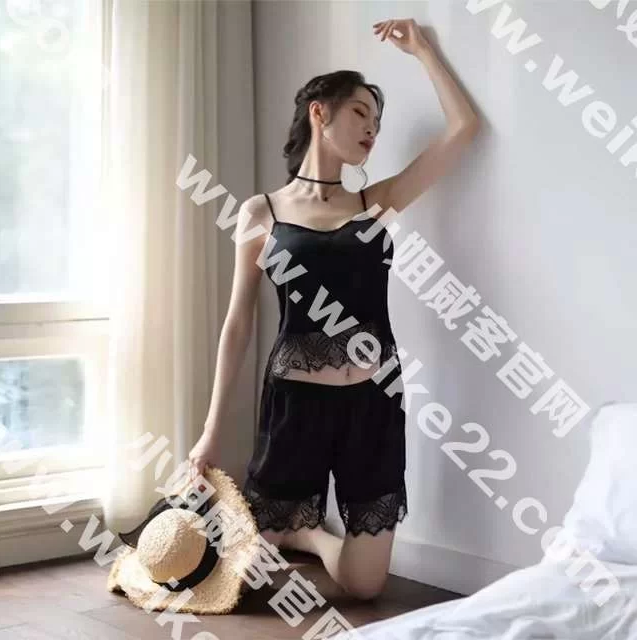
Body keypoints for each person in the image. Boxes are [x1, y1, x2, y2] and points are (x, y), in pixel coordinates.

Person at [188, 18, 480, 600]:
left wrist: (424, 51)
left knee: (366, 586)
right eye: (360, 114)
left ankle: (309, 534)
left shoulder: (375, 202)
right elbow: (239, 323)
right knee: (248, 582)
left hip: (373, 404)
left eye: (378, 122)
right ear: (319, 113)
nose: (372, 129)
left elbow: (464, 129)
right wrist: (210, 432)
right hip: (295, 407)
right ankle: (291, 528)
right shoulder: (262, 212)